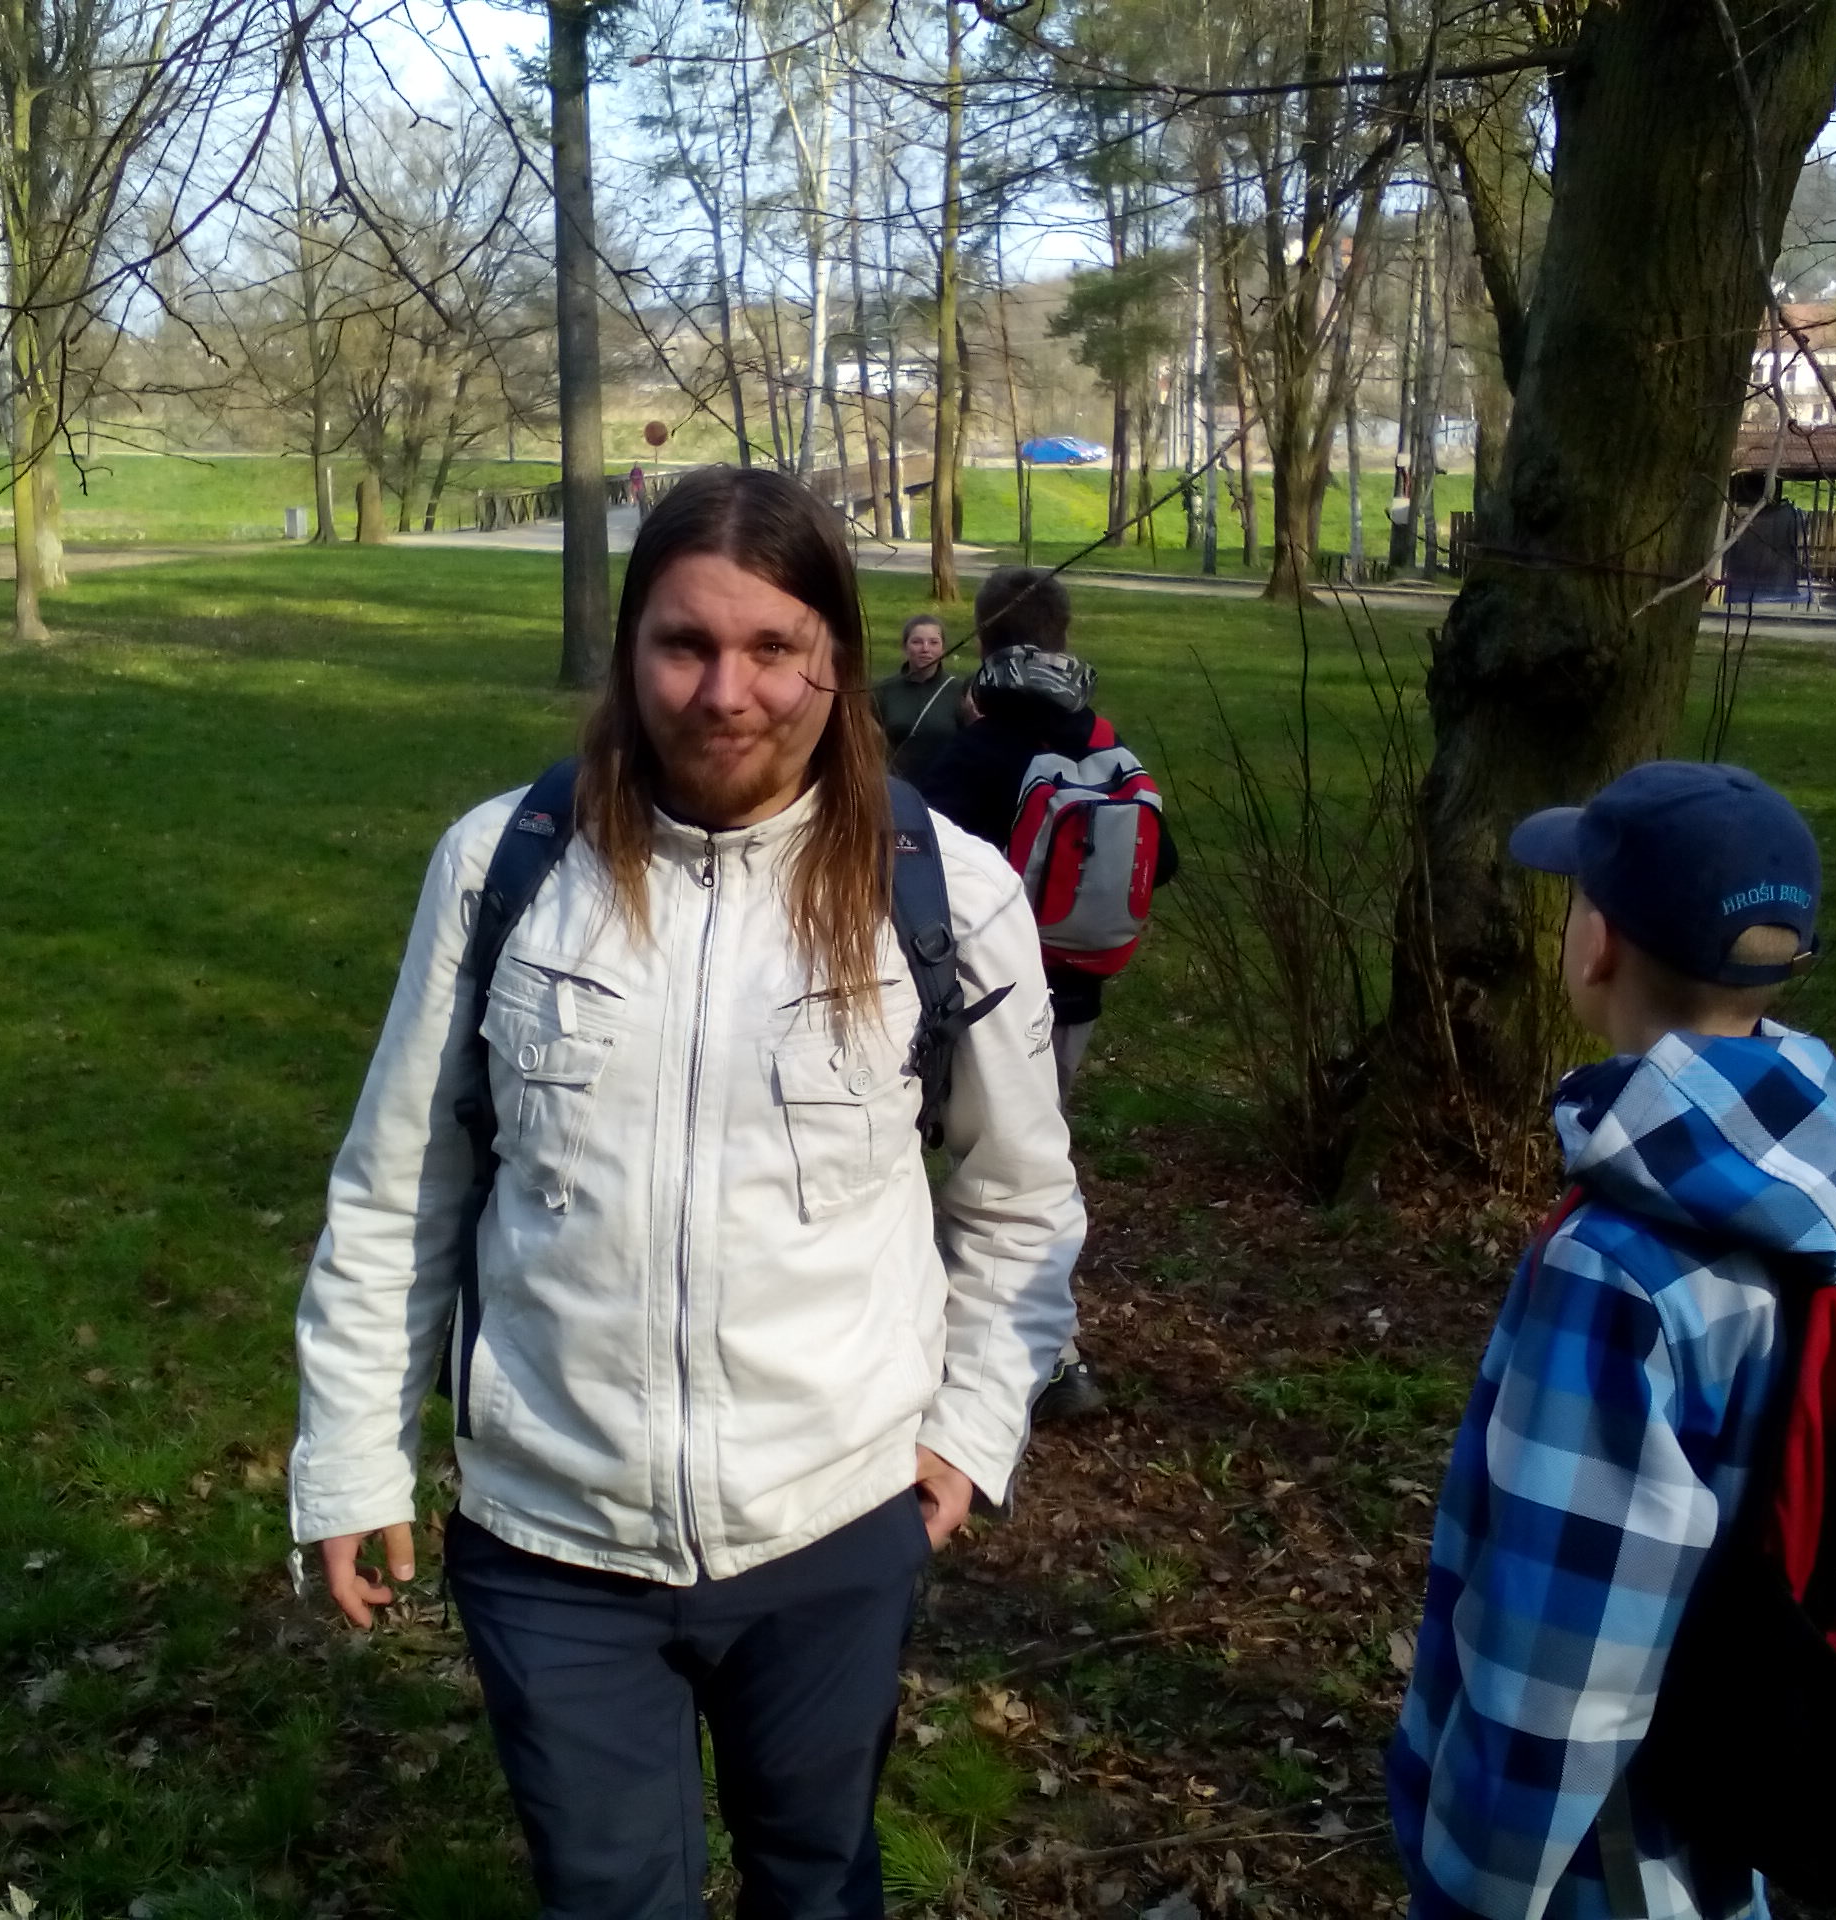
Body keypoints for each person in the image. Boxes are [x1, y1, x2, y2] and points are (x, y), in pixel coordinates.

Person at [289, 466, 1081, 1919]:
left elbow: (1021, 1198)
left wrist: (969, 1431)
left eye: (774, 647)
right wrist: (349, 1453)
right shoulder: (504, 870)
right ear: (628, 649)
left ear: (837, 658)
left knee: (817, 1882)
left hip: (834, 1522)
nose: (727, 693)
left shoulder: (947, 893)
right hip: (553, 1533)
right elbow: (401, 1184)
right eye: (684, 644)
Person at [1389, 761, 1836, 1920]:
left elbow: (1563, 1653)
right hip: (1734, 1807)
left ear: (1598, 946)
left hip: (1600, 1860)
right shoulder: (1826, 1184)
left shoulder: (1615, 1269)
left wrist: (1475, 1885)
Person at [916, 566, 1176, 1422]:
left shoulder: (981, 750)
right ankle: (1051, 1353)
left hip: (979, 1002)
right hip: (1076, 1000)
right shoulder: (1102, 743)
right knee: (1037, 1162)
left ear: (985, 636)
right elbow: (1163, 862)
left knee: (982, 1172)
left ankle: (1012, 1353)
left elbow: (911, 855)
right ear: (1063, 638)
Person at [871, 613, 966, 783]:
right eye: (917, 642)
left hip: (943, 788)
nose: (925, 649)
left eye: (933, 642)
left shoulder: (959, 691)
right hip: (895, 786)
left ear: (943, 649)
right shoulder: (883, 690)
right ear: (905, 647)